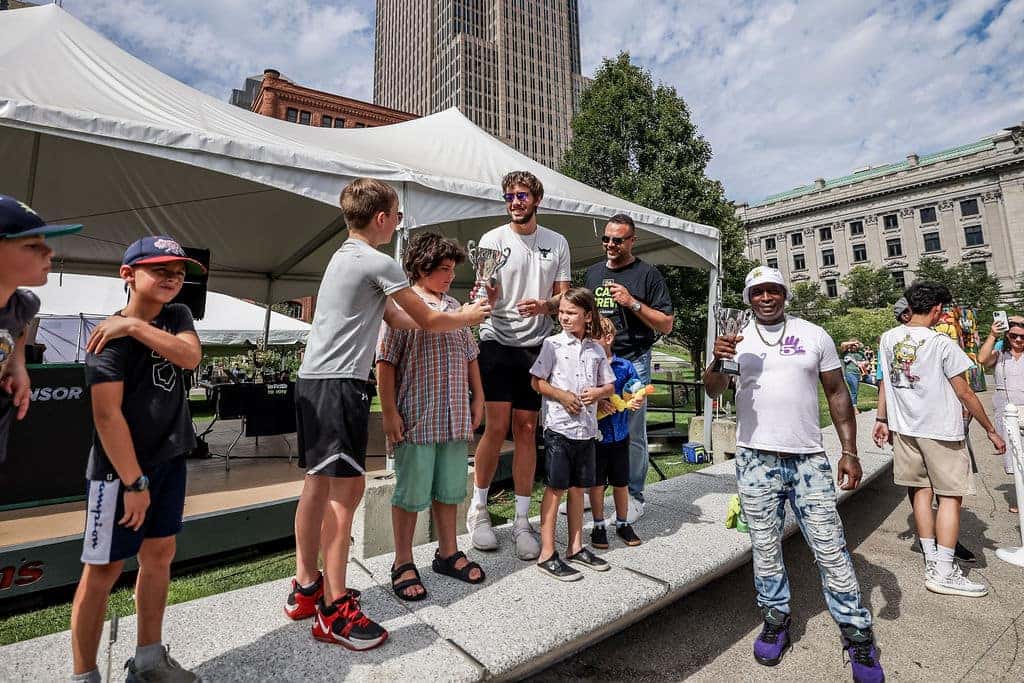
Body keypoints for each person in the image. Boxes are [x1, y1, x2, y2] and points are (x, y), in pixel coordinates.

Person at [287, 179, 489, 650]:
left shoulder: (346, 257)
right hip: (340, 385)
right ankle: (335, 611)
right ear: (381, 218)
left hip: (316, 381)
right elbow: (432, 320)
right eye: (397, 214)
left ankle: (305, 586)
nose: (399, 221)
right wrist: (474, 315)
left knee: (317, 486)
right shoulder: (379, 261)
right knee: (346, 491)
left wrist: (460, 314)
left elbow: (401, 318)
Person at [703, 266, 883, 681]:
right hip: (754, 459)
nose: (766, 297)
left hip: (807, 459)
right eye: (757, 292)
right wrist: (718, 358)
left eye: (773, 290)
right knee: (765, 548)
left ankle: (857, 636)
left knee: (831, 548)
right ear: (748, 298)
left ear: (784, 293)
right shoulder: (735, 337)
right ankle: (776, 618)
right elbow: (712, 390)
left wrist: (850, 451)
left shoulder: (814, 334)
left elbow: (837, 392)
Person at [70, 236, 206, 683]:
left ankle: (148, 660)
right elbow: (107, 417)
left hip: (169, 460)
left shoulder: (176, 315)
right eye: (161, 270)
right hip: (118, 475)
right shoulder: (106, 340)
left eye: (179, 272)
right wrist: (134, 484)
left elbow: (189, 356)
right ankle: (84, 674)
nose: (173, 279)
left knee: (161, 553)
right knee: (102, 572)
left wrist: (132, 326)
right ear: (127, 275)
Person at [872, 282, 1005, 599]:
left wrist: (881, 418)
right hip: (941, 430)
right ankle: (944, 571)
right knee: (950, 497)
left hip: (906, 428)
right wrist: (990, 429)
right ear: (935, 310)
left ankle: (932, 558)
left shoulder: (888, 338)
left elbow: (885, 383)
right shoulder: (941, 343)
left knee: (920, 491)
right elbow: (965, 392)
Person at [466, 171, 571, 561]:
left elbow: (566, 300)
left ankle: (523, 520)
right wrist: (488, 291)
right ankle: (479, 511)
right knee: (495, 428)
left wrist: (545, 306)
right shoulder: (493, 241)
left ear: (537, 198)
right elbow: (481, 292)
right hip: (496, 341)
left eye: (521, 195)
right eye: (508, 196)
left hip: (535, 345)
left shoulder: (556, 242)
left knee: (527, 429)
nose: (514, 202)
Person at [376, 232, 486, 601]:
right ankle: (403, 561)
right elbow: (385, 363)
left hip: (453, 417)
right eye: (443, 269)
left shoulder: (456, 305)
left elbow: (470, 355)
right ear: (421, 269)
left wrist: (479, 398)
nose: (451, 275)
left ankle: (448, 551)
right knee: (410, 492)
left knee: (450, 488)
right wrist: (389, 413)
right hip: (418, 418)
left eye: (453, 269)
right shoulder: (403, 307)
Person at [584, 214, 674, 522]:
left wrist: (632, 302)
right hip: (596, 360)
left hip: (633, 360)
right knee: (591, 425)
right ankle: (592, 489)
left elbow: (666, 323)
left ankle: (634, 495)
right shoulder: (593, 273)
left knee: (631, 431)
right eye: (606, 239)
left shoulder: (647, 274)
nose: (610, 245)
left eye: (617, 240)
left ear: (632, 240)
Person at [878, 297, 978, 563]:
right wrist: (882, 418)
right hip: (934, 427)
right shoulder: (918, 342)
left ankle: (936, 548)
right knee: (945, 493)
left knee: (924, 490)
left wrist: (882, 419)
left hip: (916, 425)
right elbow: (884, 382)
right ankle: (941, 559)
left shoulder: (895, 339)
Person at [529, 288, 615, 580]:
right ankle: (547, 552)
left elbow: (610, 387)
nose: (564, 318)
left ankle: (576, 547)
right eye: (562, 312)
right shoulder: (551, 344)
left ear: (587, 316)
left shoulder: (595, 349)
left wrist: (598, 392)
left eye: (571, 313)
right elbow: (537, 382)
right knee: (555, 488)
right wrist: (562, 395)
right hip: (559, 429)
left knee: (579, 488)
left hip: (586, 431)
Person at [0, 196, 82, 466]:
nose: (50, 252)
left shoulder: (23, 304)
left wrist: (17, 364)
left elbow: (18, 331)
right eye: (32, 245)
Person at [590, 316, 644, 549]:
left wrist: (635, 399)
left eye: (594, 338)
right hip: (596, 437)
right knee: (597, 484)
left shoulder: (625, 366)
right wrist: (599, 402)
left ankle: (623, 523)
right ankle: (598, 524)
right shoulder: (587, 366)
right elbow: (583, 392)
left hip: (620, 435)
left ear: (608, 338)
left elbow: (636, 387)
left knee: (621, 482)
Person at [977, 313, 1024, 513]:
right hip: (1006, 411)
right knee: (1015, 455)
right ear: (1008, 336)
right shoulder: (999, 354)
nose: (1019, 340)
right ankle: (1021, 499)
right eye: (1014, 336)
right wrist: (992, 335)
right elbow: (981, 359)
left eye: (1023, 336)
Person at [840, 339, 867, 408]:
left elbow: (867, 362)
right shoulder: (846, 353)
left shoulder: (860, 353)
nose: (853, 346)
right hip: (850, 373)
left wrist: (864, 363)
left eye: (855, 345)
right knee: (854, 390)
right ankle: (854, 408)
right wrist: (854, 342)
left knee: (876, 382)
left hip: (861, 374)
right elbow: (843, 344)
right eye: (852, 345)